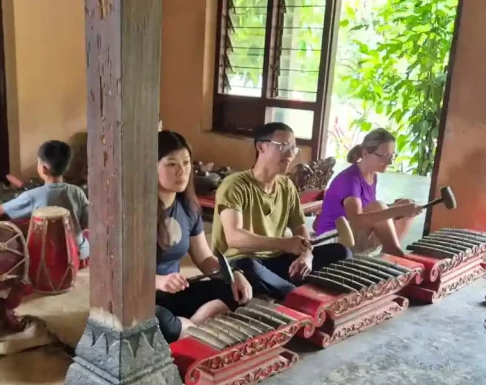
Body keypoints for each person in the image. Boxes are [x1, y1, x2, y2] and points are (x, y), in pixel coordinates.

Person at [210, 122, 351, 300]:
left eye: (293, 148)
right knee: (249, 266)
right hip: (241, 263)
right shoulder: (235, 185)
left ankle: (286, 288)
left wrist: (306, 255)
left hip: (275, 260)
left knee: (341, 251)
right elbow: (234, 237)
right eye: (283, 146)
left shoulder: (286, 186)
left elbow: (300, 228)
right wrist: (284, 243)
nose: (291, 153)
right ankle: (297, 295)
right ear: (261, 147)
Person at [154, 131, 252, 343]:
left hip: (174, 295)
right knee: (156, 320)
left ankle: (187, 328)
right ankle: (186, 329)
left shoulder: (188, 208)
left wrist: (233, 274)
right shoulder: (135, 213)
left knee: (237, 290)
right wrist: (160, 281)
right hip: (141, 299)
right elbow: (119, 274)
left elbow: (205, 259)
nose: (182, 171)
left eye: (187, 163)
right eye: (171, 164)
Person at [0, 140, 90, 259]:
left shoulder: (33, 195)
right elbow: (86, 223)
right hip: (79, 251)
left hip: (49, 257)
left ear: (43, 169)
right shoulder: (77, 191)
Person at [313, 128, 421, 256]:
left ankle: (390, 252)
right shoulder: (350, 179)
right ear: (365, 153)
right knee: (380, 207)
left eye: (392, 156)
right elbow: (357, 219)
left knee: (406, 203)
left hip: (353, 234)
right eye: (384, 156)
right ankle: (394, 252)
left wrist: (400, 208)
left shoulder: (372, 175)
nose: (390, 162)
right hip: (333, 239)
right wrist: (395, 210)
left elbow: (367, 211)